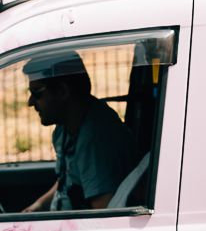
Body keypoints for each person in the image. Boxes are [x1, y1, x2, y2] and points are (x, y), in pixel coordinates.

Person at [22, 51, 137, 211]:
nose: (30, 102)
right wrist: (39, 205)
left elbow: (103, 214)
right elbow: (70, 179)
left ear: (62, 91)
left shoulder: (96, 141)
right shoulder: (65, 128)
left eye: (37, 93)